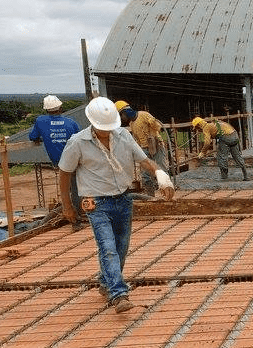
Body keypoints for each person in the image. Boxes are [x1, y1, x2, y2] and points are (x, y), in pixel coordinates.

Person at [59, 97, 175, 313]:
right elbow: (65, 173)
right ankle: (118, 294)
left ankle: (106, 282)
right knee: (108, 247)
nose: (107, 131)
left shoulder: (123, 136)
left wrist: (161, 175)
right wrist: (67, 205)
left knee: (121, 247)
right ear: (92, 122)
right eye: (102, 128)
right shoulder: (78, 142)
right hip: (96, 203)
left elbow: (144, 161)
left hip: (123, 199)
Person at [29, 95, 82, 217]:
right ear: (60, 108)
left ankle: (73, 213)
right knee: (75, 187)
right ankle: (78, 214)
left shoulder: (40, 121)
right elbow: (80, 140)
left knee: (67, 187)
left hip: (58, 161)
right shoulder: (71, 123)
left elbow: (33, 137)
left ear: (46, 109)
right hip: (74, 159)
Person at [115, 101, 169, 196]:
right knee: (145, 175)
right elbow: (138, 139)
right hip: (144, 148)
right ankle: (150, 197)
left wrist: (153, 122)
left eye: (121, 115)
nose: (122, 119)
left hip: (156, 144)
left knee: (161, 170)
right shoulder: (131, 124)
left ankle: (167, 193)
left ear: (125, 112)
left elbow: (158, 127)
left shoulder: (143, 115)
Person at [192, 117, 248, 181]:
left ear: (199, 125)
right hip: (235, 135)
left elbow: (207, 143)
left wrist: (202, 153)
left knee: (221, 156)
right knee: (237, 156)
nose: (197, 130)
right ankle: (245, 175)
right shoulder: (214, 123)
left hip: (225, 137)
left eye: (196, 128)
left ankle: (224, 177)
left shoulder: (206, 128)